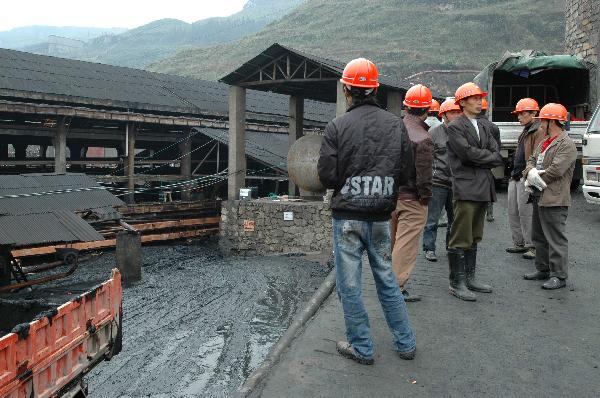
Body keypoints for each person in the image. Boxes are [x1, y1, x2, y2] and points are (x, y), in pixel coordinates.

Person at [318, 57, 416, 365]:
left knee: (349, 285)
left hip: (347, 216)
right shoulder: (396, 125)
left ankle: (362, 347)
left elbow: (328, 177)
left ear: (347, 90)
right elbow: (407, 173)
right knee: (387, 279)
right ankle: (406, 344)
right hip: (380, 217)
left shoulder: (337, 126)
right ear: (375, 89)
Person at [446, 82, 504, 301]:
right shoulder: (455, 126)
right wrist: (486, 158)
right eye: (475, 98)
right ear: (462, 102)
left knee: (475, 234)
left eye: (480, 98)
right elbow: (466, 154)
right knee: (460, 234)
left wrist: (483, 157)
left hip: (482, 185)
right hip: (466, 186)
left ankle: (469, 278)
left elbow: (497, 154)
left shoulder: (486, 126)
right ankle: (456, 282)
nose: (480, 101)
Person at [523, 103, 577, 290]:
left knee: (555, 238)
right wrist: (530, 172)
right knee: (538, 235)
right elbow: (530, 160)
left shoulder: (566, 144)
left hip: (555, 199)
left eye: (543, 120)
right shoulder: (543, 142)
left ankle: (559, 275)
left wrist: (533, 177)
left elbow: (556, 170)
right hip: (539, 196)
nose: (540, 124)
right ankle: (543, 269)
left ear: (551, 121)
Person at [390, 84, 434, 302]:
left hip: (390, 197)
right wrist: (425, 199)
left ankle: (387, 282)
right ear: (427, 109)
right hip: (412, 199)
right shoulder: (423, 137)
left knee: (394, 242)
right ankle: (395, 288)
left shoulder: (392, 129)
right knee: (406, 246)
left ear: (406, 107)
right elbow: (424, 176)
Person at [422, 98, 462, 262]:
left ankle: (451, 247)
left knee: (454, 219)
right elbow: (426, 158)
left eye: (458, 112)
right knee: (432, 219)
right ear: (443, 115)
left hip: (456, 183)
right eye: (453, 112)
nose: (457, 115)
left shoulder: (462, 134)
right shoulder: (433, 133)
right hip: (438, 182)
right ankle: (429, 248)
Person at [506, 98, 543, 260]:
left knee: (527, 212)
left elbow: (536, 157)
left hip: (525, 176)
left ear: (534, 113)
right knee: (513, 211)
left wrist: (528, 175)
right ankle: (519, 243)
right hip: (516, 175)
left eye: (523, 113)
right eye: (518, 114)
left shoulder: (538, 131)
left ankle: (532, 245)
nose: (519, 117)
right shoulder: (527, 130)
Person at [478, 98, 501, 222]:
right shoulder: (493, 127)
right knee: (488, 185)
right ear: (486, 110)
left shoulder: (468, 125)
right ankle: (489, 213)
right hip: (488, 163)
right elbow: (498, 147)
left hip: (473, 162)